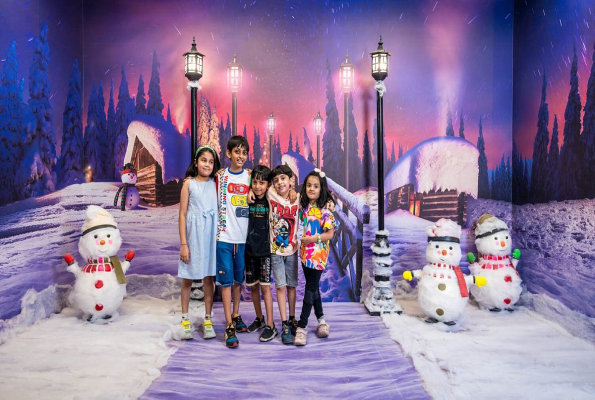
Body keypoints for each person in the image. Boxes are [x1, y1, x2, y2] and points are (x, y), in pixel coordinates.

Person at [178, 145, 220, 340]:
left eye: (211, 162)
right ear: (196, 162)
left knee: (209, 278)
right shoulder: (189, 184)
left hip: (211, 236)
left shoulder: (216, 183)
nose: (207, 164)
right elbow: (182, 214)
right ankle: (185, 318)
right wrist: (183, 244)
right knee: (188, 277)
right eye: (204, 160)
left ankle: (208, 318)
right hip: (193, 236)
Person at [293, 168, 337, 346]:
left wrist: (313, 239)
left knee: (310, 289)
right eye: (309, 185)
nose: (311, 189)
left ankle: (302, 326)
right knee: (314, 288)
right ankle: (322, 320)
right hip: (305, 254)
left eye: (316, 186)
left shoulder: (325, 210)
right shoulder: (304, 206)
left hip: (318, 255)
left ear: (321, 189)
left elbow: (330, 234)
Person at [215, 136, 251, 348]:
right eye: (237, 152)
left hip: (243, 239)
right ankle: (229, 325)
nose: (241, 156)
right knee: (226, 283)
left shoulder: (250, 177)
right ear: (228, 153)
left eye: (244, 152)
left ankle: (236, 315)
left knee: (239, 280)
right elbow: (200, 179)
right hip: (224, 237)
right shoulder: (220, 177)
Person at [267, 165, 301, 345]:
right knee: (280, 286)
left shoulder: (298, 198)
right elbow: (254, 179)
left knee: (291, 286)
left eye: (283, 178)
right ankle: (284, 323)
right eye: (276, 180)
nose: (280, 183)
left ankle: (293, 318)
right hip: (275, 250)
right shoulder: (270, 193)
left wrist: (329, 202)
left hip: (292, 250)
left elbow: (318, 196)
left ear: (291, 180)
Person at [244, 165, 278, 342]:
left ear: (268, 185)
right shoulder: (248, 197)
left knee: (265, 287)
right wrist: (249, 187)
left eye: (262, 183)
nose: (258, 186)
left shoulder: (270, 198)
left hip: (265, 251)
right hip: (249, 250)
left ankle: (271, 325)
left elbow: (284, 191)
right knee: (253, 287)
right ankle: (260, 318)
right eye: (255, 183)